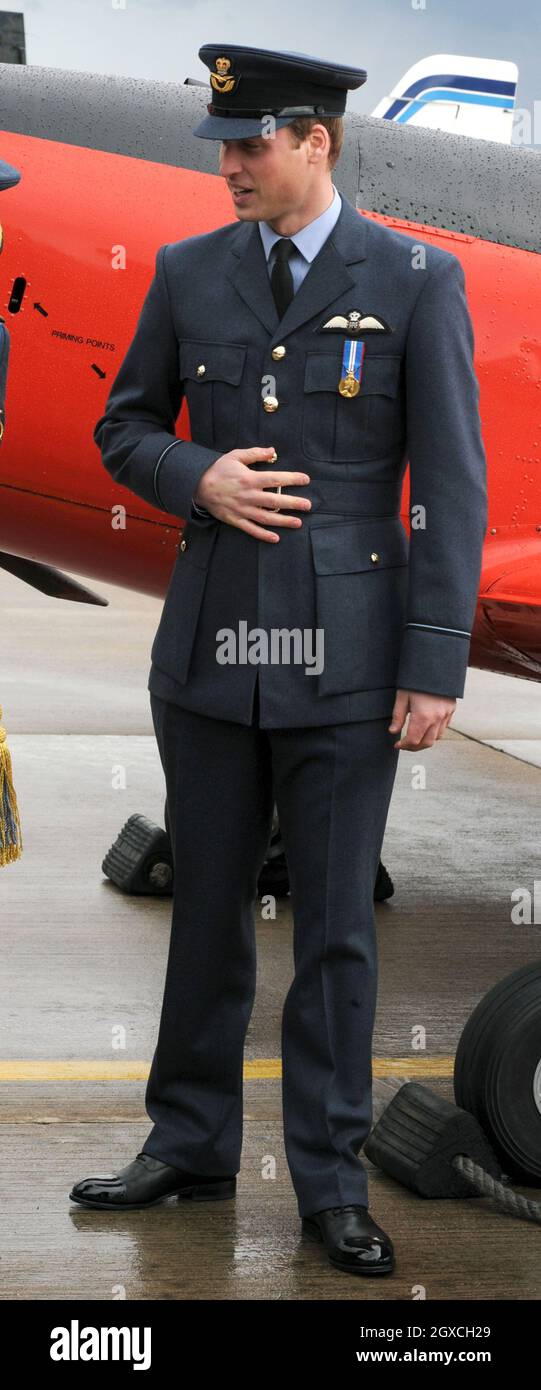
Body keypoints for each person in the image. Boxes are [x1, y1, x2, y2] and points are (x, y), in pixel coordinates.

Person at [70, 44, 488, 1277]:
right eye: (223, 145)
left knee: (335, 936)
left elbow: (452, 489)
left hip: (349, 664)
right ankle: (189, 1145)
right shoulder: (188, 272)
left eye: (252, 144)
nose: (231, 166)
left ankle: (327, 1182)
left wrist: (434, 666)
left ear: (319, 142)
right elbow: (121, 426)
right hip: (206, 656)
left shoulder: (416, 278)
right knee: (203, 917)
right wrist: (189, 473)